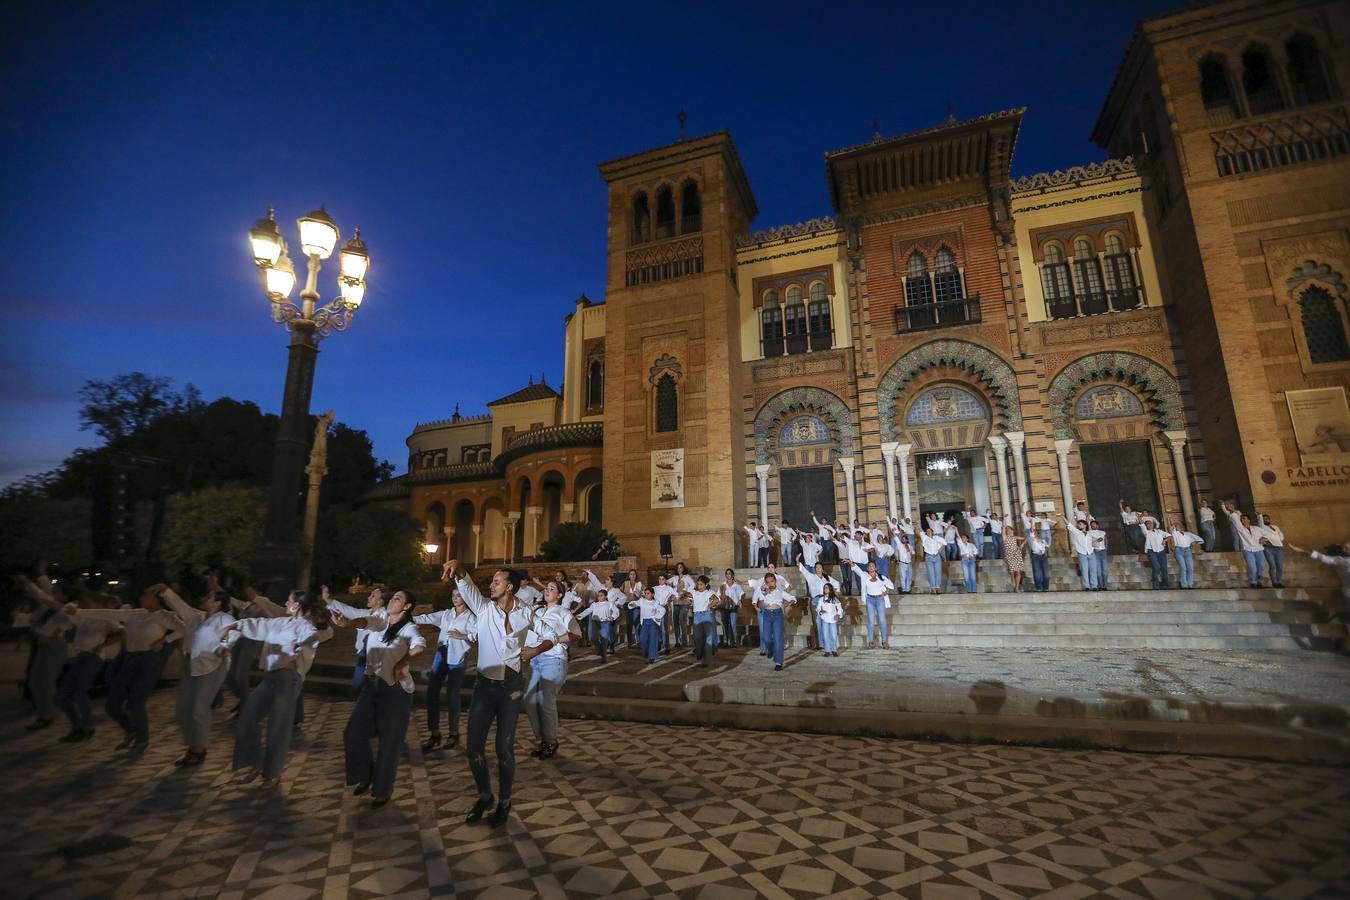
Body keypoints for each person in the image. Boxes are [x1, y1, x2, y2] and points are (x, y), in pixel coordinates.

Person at [444, 560, 559, 828]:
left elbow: (552, 634)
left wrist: (535, 650)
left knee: (503, 749)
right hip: (484, 688)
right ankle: (485, 795)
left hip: (511, 688)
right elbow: (466, 581)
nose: (491, 584)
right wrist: (458, 567)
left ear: (509, 587)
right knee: (474, 749)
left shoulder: (526, 613)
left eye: (496, 581)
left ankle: (504, 801)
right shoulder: (483, 609)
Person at [224, 590, 332, 785]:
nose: (285, 603)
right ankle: (255, 762)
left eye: (288, 600)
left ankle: (271, 773)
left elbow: (312, 636)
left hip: (288, 680)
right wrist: (234, 625)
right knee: (247, 718)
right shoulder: (282, 621)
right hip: (270, 678)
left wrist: (296, 651)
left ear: (297, 605)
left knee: (278, 727)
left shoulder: (305, 625)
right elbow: (259, 624)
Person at [336, 589, 425, 807]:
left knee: (389, 742)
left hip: (395, 690)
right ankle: (365, 774)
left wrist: (403, 660)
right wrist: (348, 623)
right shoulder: (381, 618)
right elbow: (367, 622)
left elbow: (419, 645)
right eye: (392, 596)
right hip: (371, 686)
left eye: (397, 598)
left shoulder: (408, 628)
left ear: (406, 607)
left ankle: (383, 790)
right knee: (353, 733)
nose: (391, 600)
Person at [86, 582, 183, 752]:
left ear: (156, 599)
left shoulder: (164, 615)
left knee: (136, 701)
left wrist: (163, 640)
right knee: (112, 704)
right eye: (142, 594)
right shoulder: (134, 613)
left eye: (146, 594)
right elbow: (106, 613)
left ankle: (142, 739)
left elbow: (183, 628)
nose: (142, 597)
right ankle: (131, 731)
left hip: (148, 660)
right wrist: (79, 612)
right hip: (129, 659)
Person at [161, 586, 237, 767]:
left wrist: (225, 647)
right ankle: (192, 745)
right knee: (182, 709)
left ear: (218, 603)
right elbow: (179, 606)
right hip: (191, 665)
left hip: (212, 666)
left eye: (209, 597)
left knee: (198, 709)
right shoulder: (197, 617)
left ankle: (199, 749)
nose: (204, 598)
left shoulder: (224, 618)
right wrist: (165, 591)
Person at [523, 580, 578, 760]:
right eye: (546, 588)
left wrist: (552, 640)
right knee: (530, 700)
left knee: (547, 701)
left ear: (560, 595)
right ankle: (542, 738)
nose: (547, 590)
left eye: (552, 588)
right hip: (535, 660)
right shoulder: (537, 611)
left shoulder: (563, 612)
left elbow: (576, 633)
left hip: (554, 659)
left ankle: (550, 741)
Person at [416, 588, 476, 752]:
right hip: (441, 655)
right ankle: (434, 733)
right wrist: (407, 618)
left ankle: (454, 733)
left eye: (459, 596)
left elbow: (476, 634)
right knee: (432, 693)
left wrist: (462, 636)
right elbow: (426, 618)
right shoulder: (446, 614)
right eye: (453, 595)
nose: (455, 598)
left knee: (452, 695)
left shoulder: (471, 616)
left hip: (457, 659)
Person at [16, 574, 75, 732]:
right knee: (35, 682)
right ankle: (43, 713)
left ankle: (46, 716)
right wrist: (24, 620)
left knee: (46, 682)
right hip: (43, 645)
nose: (53, 593)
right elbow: (33, 619)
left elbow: (64, 622)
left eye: (56, 591)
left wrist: (31, 585)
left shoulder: (68, 607)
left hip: (55, 646)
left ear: (64, 594)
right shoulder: (47, 607)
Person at [1286, 540, 1350, 622]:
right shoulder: (1342, 561)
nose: (1343, 550)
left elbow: (1322, 557)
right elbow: (1322, 557)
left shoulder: (1340, 560)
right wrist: (1302, 550)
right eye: (1343, 548)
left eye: (1346, 548)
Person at [754, 573, 796, 670]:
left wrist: (790, 603)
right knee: (766, 638)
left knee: (778, 639)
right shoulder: (763, 591)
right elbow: (760, 602)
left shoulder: (780, 591)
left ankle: (778, 662)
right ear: (765, 583)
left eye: (772, 581)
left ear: (775, 581)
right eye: (768, 582)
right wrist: (764, 592)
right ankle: (771, 649)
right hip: (767, 614)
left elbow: (792, 598)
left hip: (777, 615)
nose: (770, 584)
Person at [798, 560, 840, 652]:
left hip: (826, 601)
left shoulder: (827, 578)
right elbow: (803, 570)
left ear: (822, 569)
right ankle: (820, 644)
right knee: (818, 623)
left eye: (819, 567)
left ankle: (828, 644)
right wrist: (798, 562)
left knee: (826, 621)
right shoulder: (811, 577)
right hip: (816, 601)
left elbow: (836, 584)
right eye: (816, 568)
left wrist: (835, 593)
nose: (818, 569)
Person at [580, 570, 622, 660]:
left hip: (609, 615)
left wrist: (615, 603)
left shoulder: (616, 590)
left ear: (612, 581)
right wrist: (589, 573)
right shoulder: (602, 589)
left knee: (609, 633)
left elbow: (623, 598)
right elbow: (595, 581)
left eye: (607, 579)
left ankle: (608, 648)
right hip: (598, 616)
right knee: (595, 635)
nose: (605, 581)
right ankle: (602, 648)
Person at [851, 561, 893, 649]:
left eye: (872, 566)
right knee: (870, 621)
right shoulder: (864, 576)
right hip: (870, 600)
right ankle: (870, 641)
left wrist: (886, 592)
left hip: (880, 600)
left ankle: (884, 641)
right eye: (869, 566)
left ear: (875, 568)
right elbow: (857, 570)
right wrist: (851, 563)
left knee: (882, 620)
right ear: (867, 568)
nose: (871, 567)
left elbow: (890, 585)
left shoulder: (881, 577)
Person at [1223, 502, 1266, 587]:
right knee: (1252, 567)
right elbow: (1235, 519)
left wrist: (1260, 516)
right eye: (1241, 519)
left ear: (1248, 520)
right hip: (1248, 549)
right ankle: (1253, 582)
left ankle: (1259, 581)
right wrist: (1230, 510)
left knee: (1261, 567)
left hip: (1259, 549)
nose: (1242, 520)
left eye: (1244, 518)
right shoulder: (1241, 529)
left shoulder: (1256, 528)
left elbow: (1263, 530)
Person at [689, 576, 719, 667]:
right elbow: (686, 597)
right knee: (696, 637)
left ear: (706, 584)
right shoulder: (694, 592)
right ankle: (699, 652)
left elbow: (716, 600)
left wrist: (709, 606)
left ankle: (707, 661)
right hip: (697, 616)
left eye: (701, 584)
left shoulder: (709, 592)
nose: (699, 586)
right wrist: (688, 599)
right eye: (698, 584)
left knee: (708, 639)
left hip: (707, 615)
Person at [634, 585, 667, 663]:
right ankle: (646, 652)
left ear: (652, 594)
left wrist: (657, 617)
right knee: (643, 639)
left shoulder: (656, 603)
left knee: (653, 639)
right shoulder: (642, 601)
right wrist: (632, 604)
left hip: (653, 623)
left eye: (648, 593)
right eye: (645, 593)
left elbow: (663, 610)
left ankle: (652, 657)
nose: (646, 595)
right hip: (645, 622)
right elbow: (635, 603)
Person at [1062, 515, 1097, 590]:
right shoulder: (1077, 532)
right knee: (1084, 570)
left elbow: (1092, 540)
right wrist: (1063, 517)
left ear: (1084, 525)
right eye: (1078, 524)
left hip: (1091, 553)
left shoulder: (1089, 533)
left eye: (1080, 524)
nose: (1078, 525)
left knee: (1093, 570)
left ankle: (1094, 586)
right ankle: (1086, 586)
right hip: (1082, 554)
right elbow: (1069, 525)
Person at [1169, 522, 1204, 589]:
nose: (1176, 527)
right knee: (1183, 567)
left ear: (1181, 527)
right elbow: (1171, 530)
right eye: (1175, 526)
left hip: (1187, 551)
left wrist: (1194, 542)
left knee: (1190, 568)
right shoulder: (1175, 533)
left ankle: (1190, 584)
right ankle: (1184, 585)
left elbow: (1201, 540)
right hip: (1178, 550)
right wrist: (1172, 525)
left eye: (1177, 526)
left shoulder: (1188, 534)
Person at [1255, 514, 1286, 588]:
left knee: (1280, 566)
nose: (1266, 520)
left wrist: (1275, 539)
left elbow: (1281, 536)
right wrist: (1259, 515)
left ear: (1269, 519)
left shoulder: (1275, 527)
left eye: (1267, 519)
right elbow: (1261, 525)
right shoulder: (1262, 527)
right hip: (1268, 548)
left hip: (1278, 548)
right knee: (1273, 566)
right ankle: (1274, 582)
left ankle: (1279, 582)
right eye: (1264, 519)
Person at [1141, 520, 1171, 590]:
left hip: (1161, 551)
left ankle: (1165, 585)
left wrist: (1164, 540)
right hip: (1151, 551)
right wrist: (1140, 518)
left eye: (1151, 523)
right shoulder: (1146, 532)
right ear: (1146, 526)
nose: (1150, 524)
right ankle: (1155, 584)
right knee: (1157, 567)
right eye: (1148, 524)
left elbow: (1169, 536)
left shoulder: (1159, 531)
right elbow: (1141, 524)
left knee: (1164, 568)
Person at [817, 583, 844, 657]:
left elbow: (840, 609)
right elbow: (818, 608)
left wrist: (838, 615)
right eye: (824, 588)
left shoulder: (834, 599)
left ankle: (834, 650)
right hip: (824, 619)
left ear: (830, 589)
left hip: (833, 619)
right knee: (825, 635)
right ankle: (827, 650)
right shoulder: (821, 599)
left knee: (833, 635)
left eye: (827, 588)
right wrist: (820, 611)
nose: (825, 589)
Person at [718, 569, 743, 647]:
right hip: (724, 607)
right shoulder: (722, 585)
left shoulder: (736, 585)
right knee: (724, 625)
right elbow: (718, 595)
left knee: (733, 624)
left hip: (733, 607)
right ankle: (725, 642)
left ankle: (735, 641)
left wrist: (739, 601)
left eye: (729, 573)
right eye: (726, 574)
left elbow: (741, 594)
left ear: (732, 575)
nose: (728, 575)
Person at [920, 526, 947, 594]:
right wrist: (918, 525)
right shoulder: (925, 538)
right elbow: (921, 531)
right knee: (931, 573)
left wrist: (940, 548)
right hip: (929, 557)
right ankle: (932, 588)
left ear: (932, 532)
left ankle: (938, 588)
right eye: (927, 531)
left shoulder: (936, 538)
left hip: (937, 556)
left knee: (938, 572)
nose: (929, 532)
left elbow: (945, 542)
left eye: (930, 531)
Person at [1003, 525, 1027, 592]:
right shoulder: (1005, 537)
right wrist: (1004, 520)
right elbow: (1003, 529)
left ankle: (1016, 587)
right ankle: (1014, 586)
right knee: (1012, 572)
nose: (1008, 530)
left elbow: (1026, 538)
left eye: (1009, 529)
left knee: (1018, 572)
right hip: (1009, 556)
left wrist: (1022, 544)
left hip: (1017, 555)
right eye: (1006, 529)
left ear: (1011, 530)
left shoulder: (1014, 537)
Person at [1088, 519, 1110, 591]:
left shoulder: (1103, 532)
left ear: (1097, 525)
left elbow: (1106, 540)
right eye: (1092, 524)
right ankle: (1100, 585)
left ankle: (1105, 585)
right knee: (1098, 569)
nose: (1093, 525)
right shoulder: (1089, 533)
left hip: (1103, 551)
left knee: (1105, 569)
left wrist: (1106, 548)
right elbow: (1089, 542)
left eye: (1094, 524)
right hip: (1095, 551)